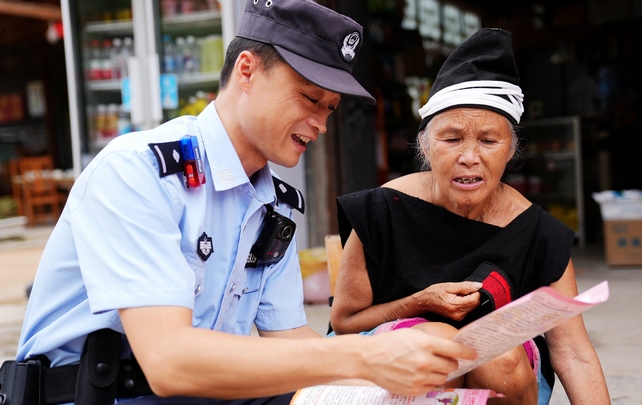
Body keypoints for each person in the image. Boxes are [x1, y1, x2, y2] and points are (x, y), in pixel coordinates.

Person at [11, 1, 478, 404]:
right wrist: (363, 355)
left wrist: (399, 373)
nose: (320, 123)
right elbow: (168, 361)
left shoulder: (273, 203)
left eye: (330, 108)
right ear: (247, 70)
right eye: (310, 97)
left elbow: (288, 338)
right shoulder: (139, 171)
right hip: (99, 394)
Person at [329, 28, 611, 405]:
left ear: (510, 149)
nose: (469, 157)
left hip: (506, 379)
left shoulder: (540, 234)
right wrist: (420, 303)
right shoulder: (381, 210)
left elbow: (573, 353)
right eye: (452, 139)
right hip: (391, 364)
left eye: (489, 141)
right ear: (426, 147)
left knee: (500, 355)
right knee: (436, 348)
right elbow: (343, 323)